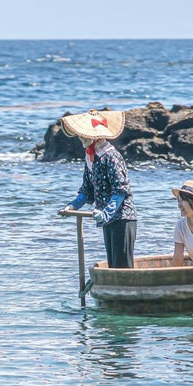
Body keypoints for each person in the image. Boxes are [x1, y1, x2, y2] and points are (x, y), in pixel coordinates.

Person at [59, 109, 138, 269]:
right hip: (107, 219)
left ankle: (127, 292)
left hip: (123, 218)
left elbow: (120, 190)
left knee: (122, 266)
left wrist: (106, 212)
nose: (81, 137)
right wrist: (73, 205)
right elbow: (87, 190)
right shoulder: (90, 157)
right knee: (113, 265)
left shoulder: (111, 156)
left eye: (84, 134)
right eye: (80, 134)